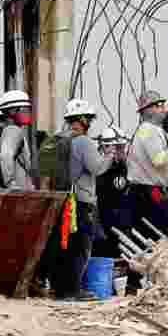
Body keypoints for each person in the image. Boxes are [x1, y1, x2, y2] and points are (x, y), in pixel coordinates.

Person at [49, 99, 114, 300]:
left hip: (63, 199)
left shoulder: (60, 141)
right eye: (89, 119)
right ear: (83, 120)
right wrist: (109, 155)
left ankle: (60, 289)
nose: (90, 123)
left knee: (64, 246)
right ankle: (72, 290)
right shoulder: (84, 142)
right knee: (81, 247)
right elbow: (97, 168)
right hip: (82, 201)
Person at [126, 91, 168, 240]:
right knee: (157, 234)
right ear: (148, 110)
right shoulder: (148, 130)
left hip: (147, 191)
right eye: (159, 105)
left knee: (154, 233)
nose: (164, 109)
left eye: (163, 105)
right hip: (148, 192)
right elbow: (158, 159)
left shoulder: (151, 130)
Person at [93, 127, 140, 291]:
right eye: (112, 147)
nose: (117, 151)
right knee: (103, 255)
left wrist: (123, 157)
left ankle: (131, 287)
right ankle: (105, 287)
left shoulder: (128, 166)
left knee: (129, 254)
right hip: (104, 220)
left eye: (120, 147)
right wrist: (109, 157)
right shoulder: (98, 167)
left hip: (124, 220)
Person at [0, 90, 34, 190]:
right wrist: (11, 183)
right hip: (18, 195)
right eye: (25, 109)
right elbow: (6, 155)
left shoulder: (1, 132)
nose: (28, 112)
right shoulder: (13, 130)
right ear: (12, 111)